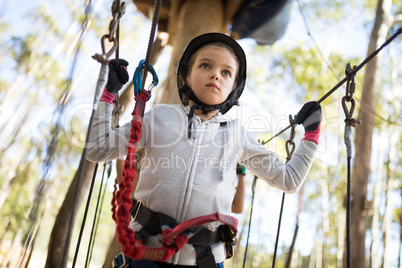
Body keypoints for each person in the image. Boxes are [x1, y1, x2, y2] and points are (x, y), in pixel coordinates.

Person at [87, 32, 322, 267]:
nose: (215, 75)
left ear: (234, 88)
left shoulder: (238, 135)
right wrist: (108, 93)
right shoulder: (158, 117)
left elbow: (289, 181)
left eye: (226, 72)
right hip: (145, 253)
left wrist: (311, 135)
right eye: (205, 65)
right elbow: (98, 149)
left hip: (203, 260)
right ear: (186, 78)